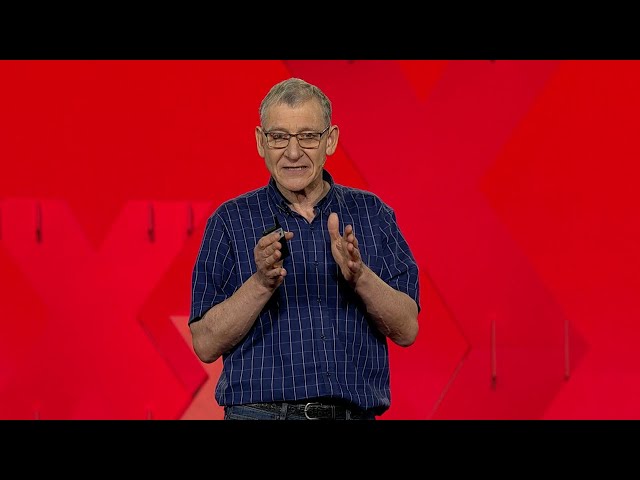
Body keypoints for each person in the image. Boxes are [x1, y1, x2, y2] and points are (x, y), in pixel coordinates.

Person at [189, 77, 420, 420]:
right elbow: (205, 344)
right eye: (279, 137)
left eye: (308, 136)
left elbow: (407, 329)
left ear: (331, 140)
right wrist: (261, 283)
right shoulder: (229, 220)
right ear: (260, 141)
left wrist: (360, 277)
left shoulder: (372, 214)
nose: (293, 152)